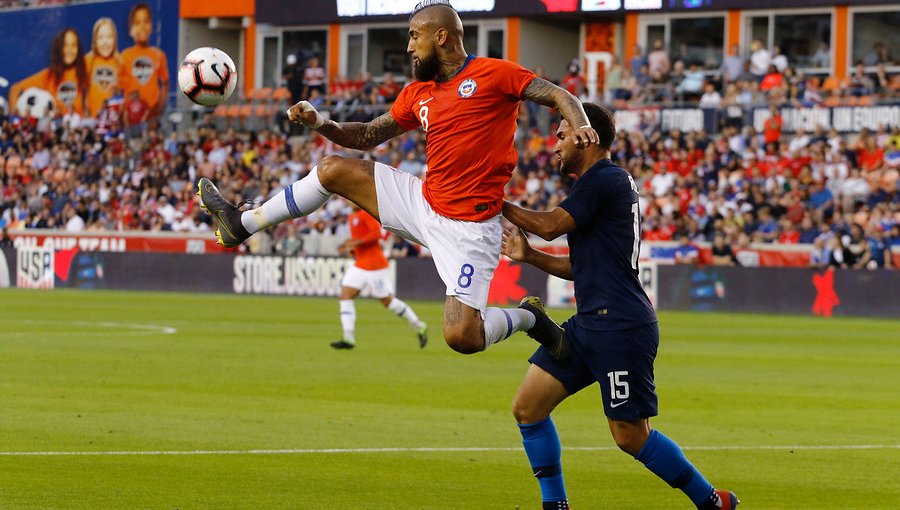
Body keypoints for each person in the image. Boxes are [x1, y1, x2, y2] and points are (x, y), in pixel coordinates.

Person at [197, 0, 599, 358]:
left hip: (470, 229)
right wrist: (320, 121)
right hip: (422, 202)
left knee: (463, 337)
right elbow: (369, 135)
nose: (408, 46)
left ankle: (530, 319)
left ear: (441, 36)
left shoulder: (495, 74)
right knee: (333, 169)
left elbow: (561, 96)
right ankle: (241, 224)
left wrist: (579, 123)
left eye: (414, 36)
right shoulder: (417, 93)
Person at [501, 102, 739, 510]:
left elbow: (550, 225)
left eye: (561, 135)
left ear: (585, 134)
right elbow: (581, 266)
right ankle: (555, 505)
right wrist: (531, 257)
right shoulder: (600, 184)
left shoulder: (604, 178)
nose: (554, 145)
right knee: (528, 407)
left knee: (630, 436)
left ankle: (712, 501)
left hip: (620, 327)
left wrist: (491, 201)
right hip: (591, 323)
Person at [331, 203, 428, 350]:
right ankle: (348, 338)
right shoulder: (352, 216)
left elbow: (377, 234)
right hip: (360, 264)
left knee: (388, 302)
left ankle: (419, 325)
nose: (348, 201)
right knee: (345, 296)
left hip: (375, 266)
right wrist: (354, 250)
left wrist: (357, 242)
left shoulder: (365, 213)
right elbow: (361, 240)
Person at [9, 27, 88, 116]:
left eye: (74, 45)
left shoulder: (84, 72)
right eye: (65, 45)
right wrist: (13, 117)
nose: (69, 50)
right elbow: (15, 89)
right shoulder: (49, 75)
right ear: (59, 48)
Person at [120, 3, 169, 118]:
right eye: (137, 23)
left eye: (146, 21)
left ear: (151, 26)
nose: (142, 26)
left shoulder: (158, 55)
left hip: (152, 115)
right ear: (131, 29)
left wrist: (158, 108)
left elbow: (165, 83)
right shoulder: (125, 56)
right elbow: (121, 87)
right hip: (131, 115)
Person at [85, 17, 122, 118]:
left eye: (109, 37)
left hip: (114, 121)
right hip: (93, 119)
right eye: (100, 38)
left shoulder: (121, 62)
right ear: (94, 41)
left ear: (115, 39)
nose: (105, 42)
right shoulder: (88, 61)